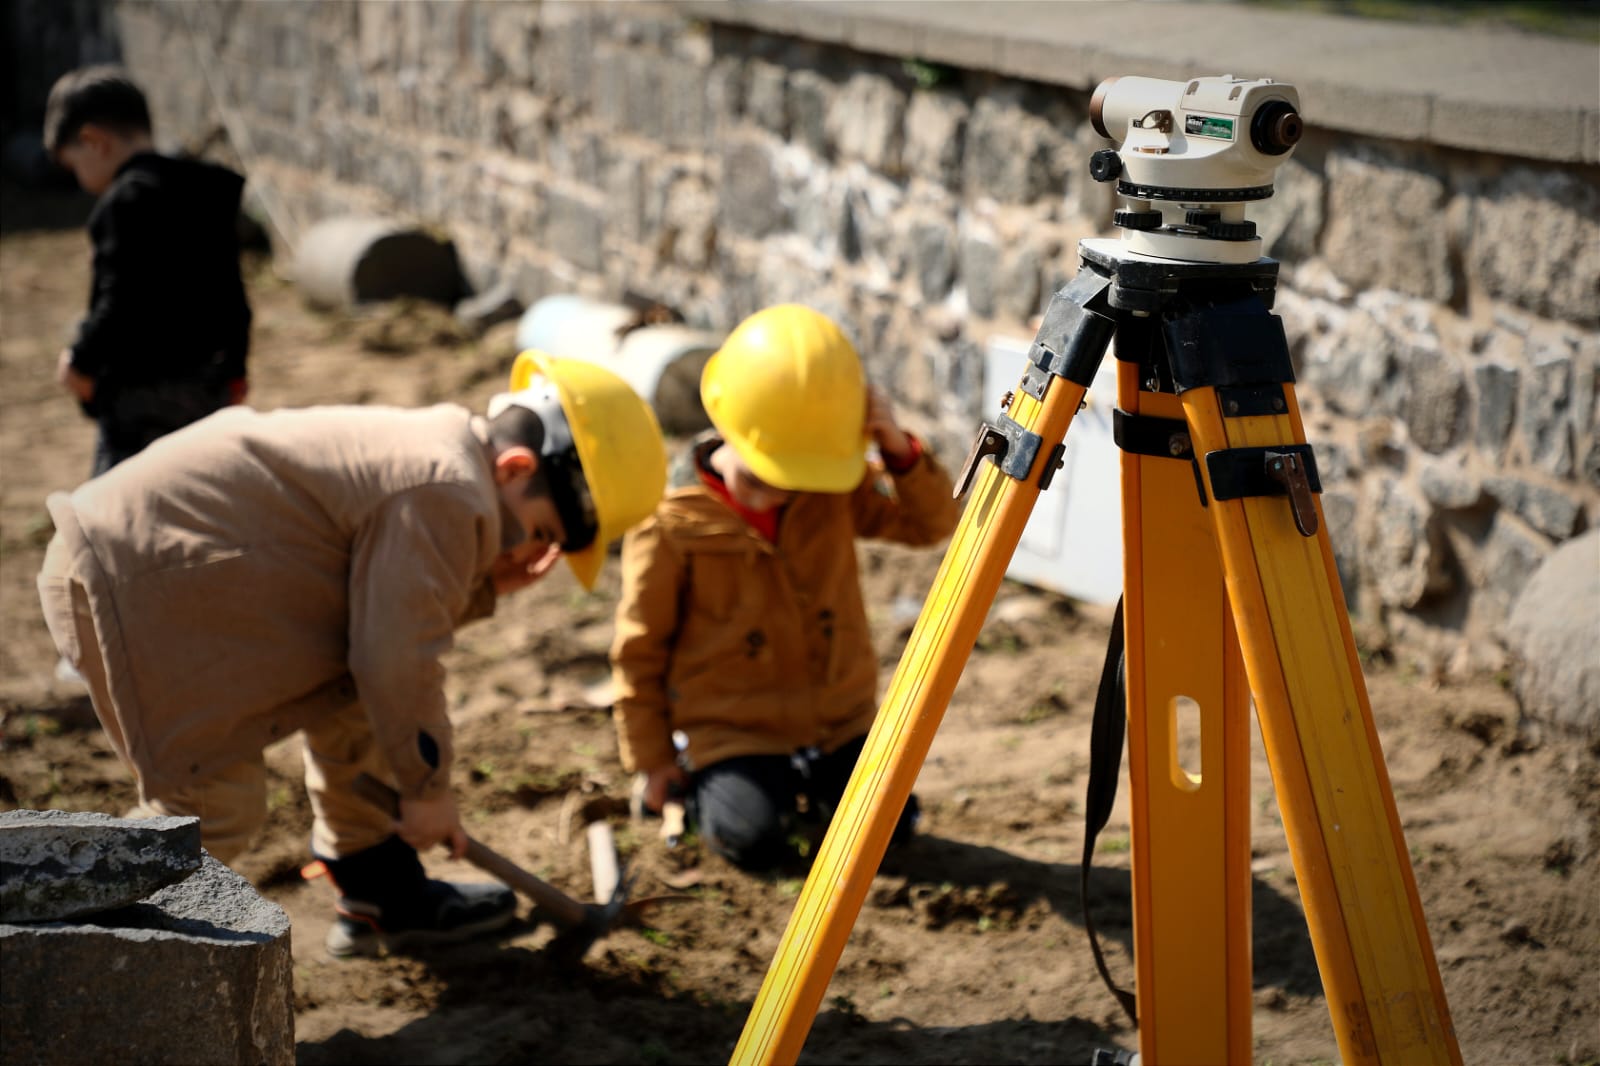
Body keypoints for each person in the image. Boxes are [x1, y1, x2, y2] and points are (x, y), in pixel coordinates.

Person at [36, 352, 667, 957]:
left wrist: (483, 584)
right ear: (515, 469)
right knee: (209, 808)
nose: (530, 553)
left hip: (163, 574)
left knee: (361, 705)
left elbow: (388, 623)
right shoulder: (449, 489)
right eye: (540, 533)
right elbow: (397, 658)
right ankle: (75, 949)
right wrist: (426, 791)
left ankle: (379, 888)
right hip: (133, 583)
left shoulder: (444, 455)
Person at [610, 305, 963, 872]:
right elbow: (638, 652)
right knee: (751, 842)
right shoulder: (669, 527)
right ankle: (719, 787)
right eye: (757, 477)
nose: (773, 496)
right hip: (734, 730)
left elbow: (933, 524)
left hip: (836, 719)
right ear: (727, 424)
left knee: (890, 831)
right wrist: (653, 765)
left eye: (790, 481)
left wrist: (897, 448)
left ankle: (817, 786)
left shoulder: (828, 486)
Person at [43, 64, 253, 477]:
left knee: (118, 509)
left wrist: (80, 362)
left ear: (92, 142)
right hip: (207, 389)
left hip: (139, 397)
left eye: (73, 166)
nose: (82, 182)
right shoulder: (207, 192)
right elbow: (233, 294)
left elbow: (117, 300)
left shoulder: (124, 204)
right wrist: (236, 371)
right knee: (198, 495)